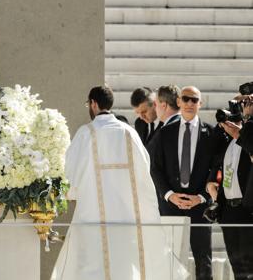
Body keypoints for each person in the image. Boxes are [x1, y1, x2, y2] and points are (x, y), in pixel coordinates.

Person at [51, 85, 186, 280]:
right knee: (123, 268)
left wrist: (71, 193)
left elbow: (69, 175)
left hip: (93, 218)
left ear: (93, 104)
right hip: (126, 218)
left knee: (93, 268)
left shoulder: (86, 133)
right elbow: (144, 170)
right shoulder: (129, 133)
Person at [150, 86, 216, 280]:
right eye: (185, 99)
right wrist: (170, 195)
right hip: (171, 205)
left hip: (199, 206)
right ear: (178, 102)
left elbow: (216, 170)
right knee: (169, 259)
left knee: (203, 259)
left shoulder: (211, 134)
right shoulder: (165, 132)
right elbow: (155, 168)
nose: (189, 103)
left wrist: (201, 197)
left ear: (200, 104)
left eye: (194, 100)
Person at [206, 95, 253, 279]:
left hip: (248, 210)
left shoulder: (248, 137)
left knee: (250, 269)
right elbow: (216, 160)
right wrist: (211, 182)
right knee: (237, 267)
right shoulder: (228, 140)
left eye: (245, 104)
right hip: (229, 211)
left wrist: (248, 120)